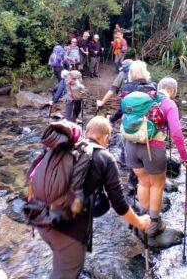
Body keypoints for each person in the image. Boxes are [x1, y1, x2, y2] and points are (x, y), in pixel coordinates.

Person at [37, 116, 151, 279]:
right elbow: (119, 204)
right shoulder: (105, 158)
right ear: (105, 138)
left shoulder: (68, 149)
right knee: (65, 274)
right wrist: (140, 222)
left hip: (41, 216)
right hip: (67, 229)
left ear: (86, 132)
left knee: (61, 264)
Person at [122, 77, 187, 237]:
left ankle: (142, 219)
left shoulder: (144, 97)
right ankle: (154, 223)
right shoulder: (169, 104)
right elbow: (176, 133)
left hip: (131, 145)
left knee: (143, 182)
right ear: (173, 91)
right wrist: (185, 158)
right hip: (152, 149)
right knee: (157, 185)